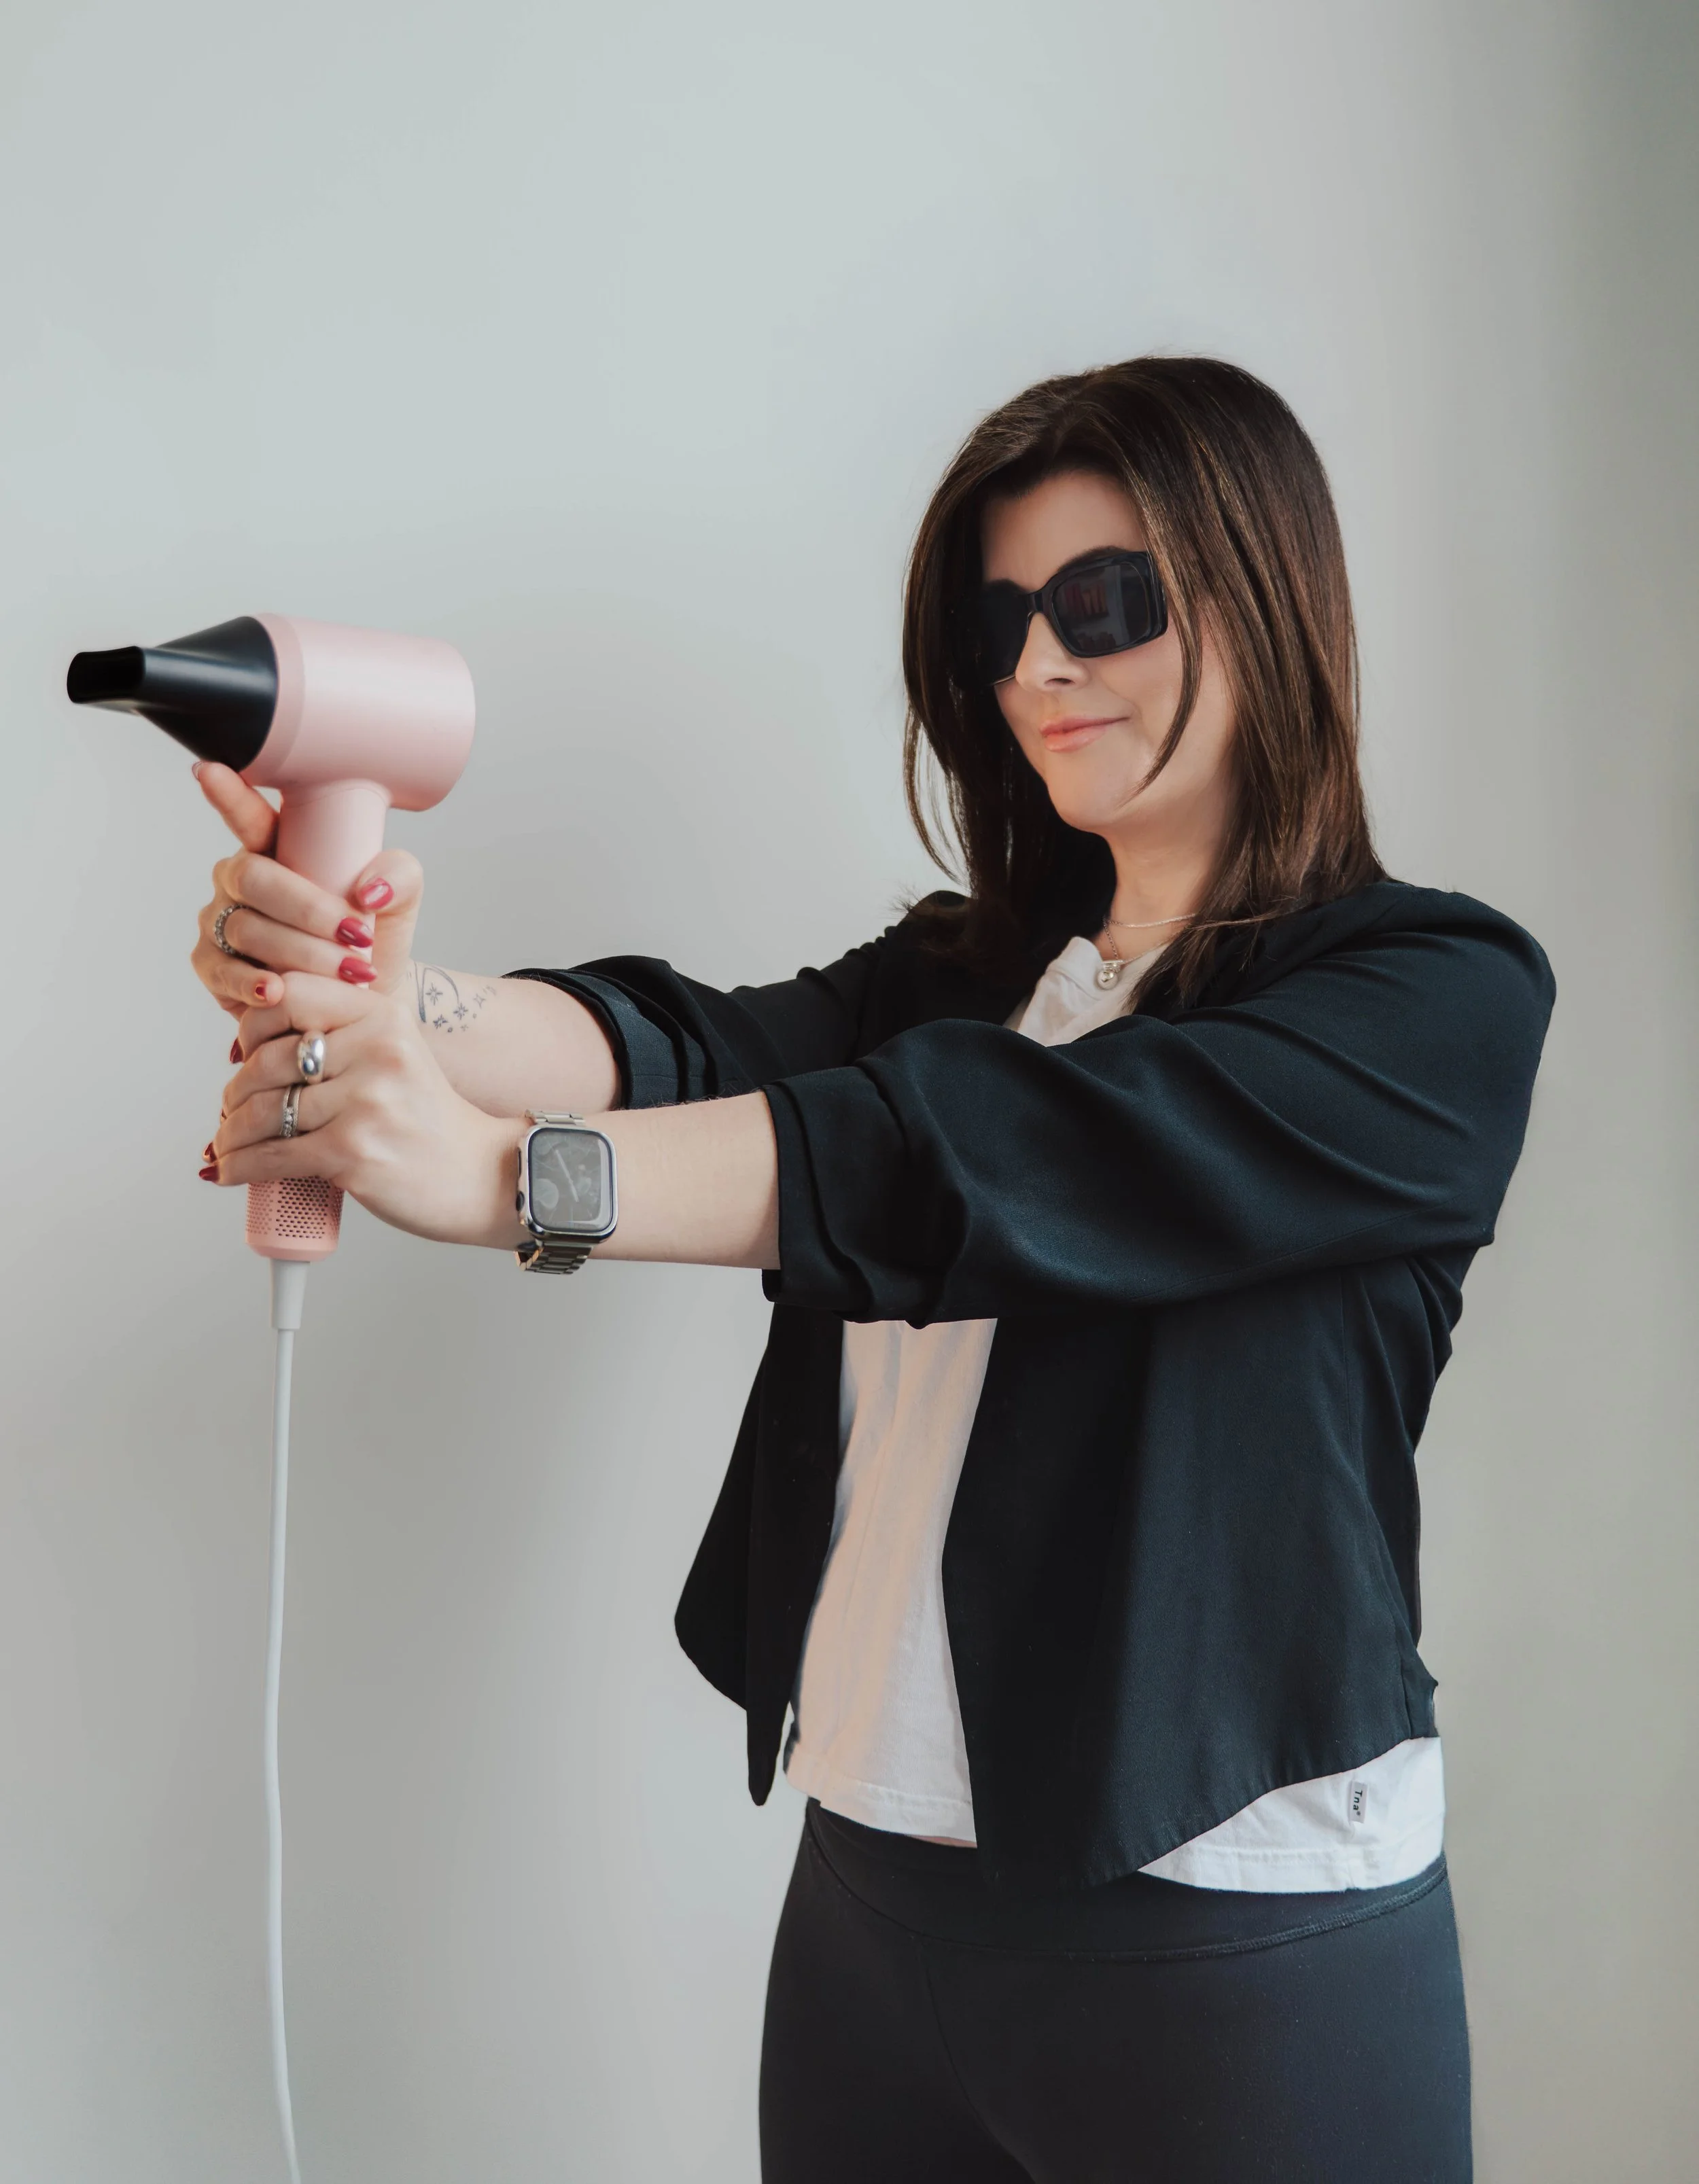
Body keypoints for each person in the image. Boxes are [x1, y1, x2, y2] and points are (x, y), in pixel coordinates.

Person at [189, 357, 1553, 2182]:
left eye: (1106, 603)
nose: (1040, 666)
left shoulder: (1426, 1002)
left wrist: (515, 1182)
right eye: (1004, 622)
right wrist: (381, 995)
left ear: (1264, 592)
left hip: (1230, 1938)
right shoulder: (966, 968)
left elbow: (972, 1157)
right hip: (869, 1901)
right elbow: (683, 1045)